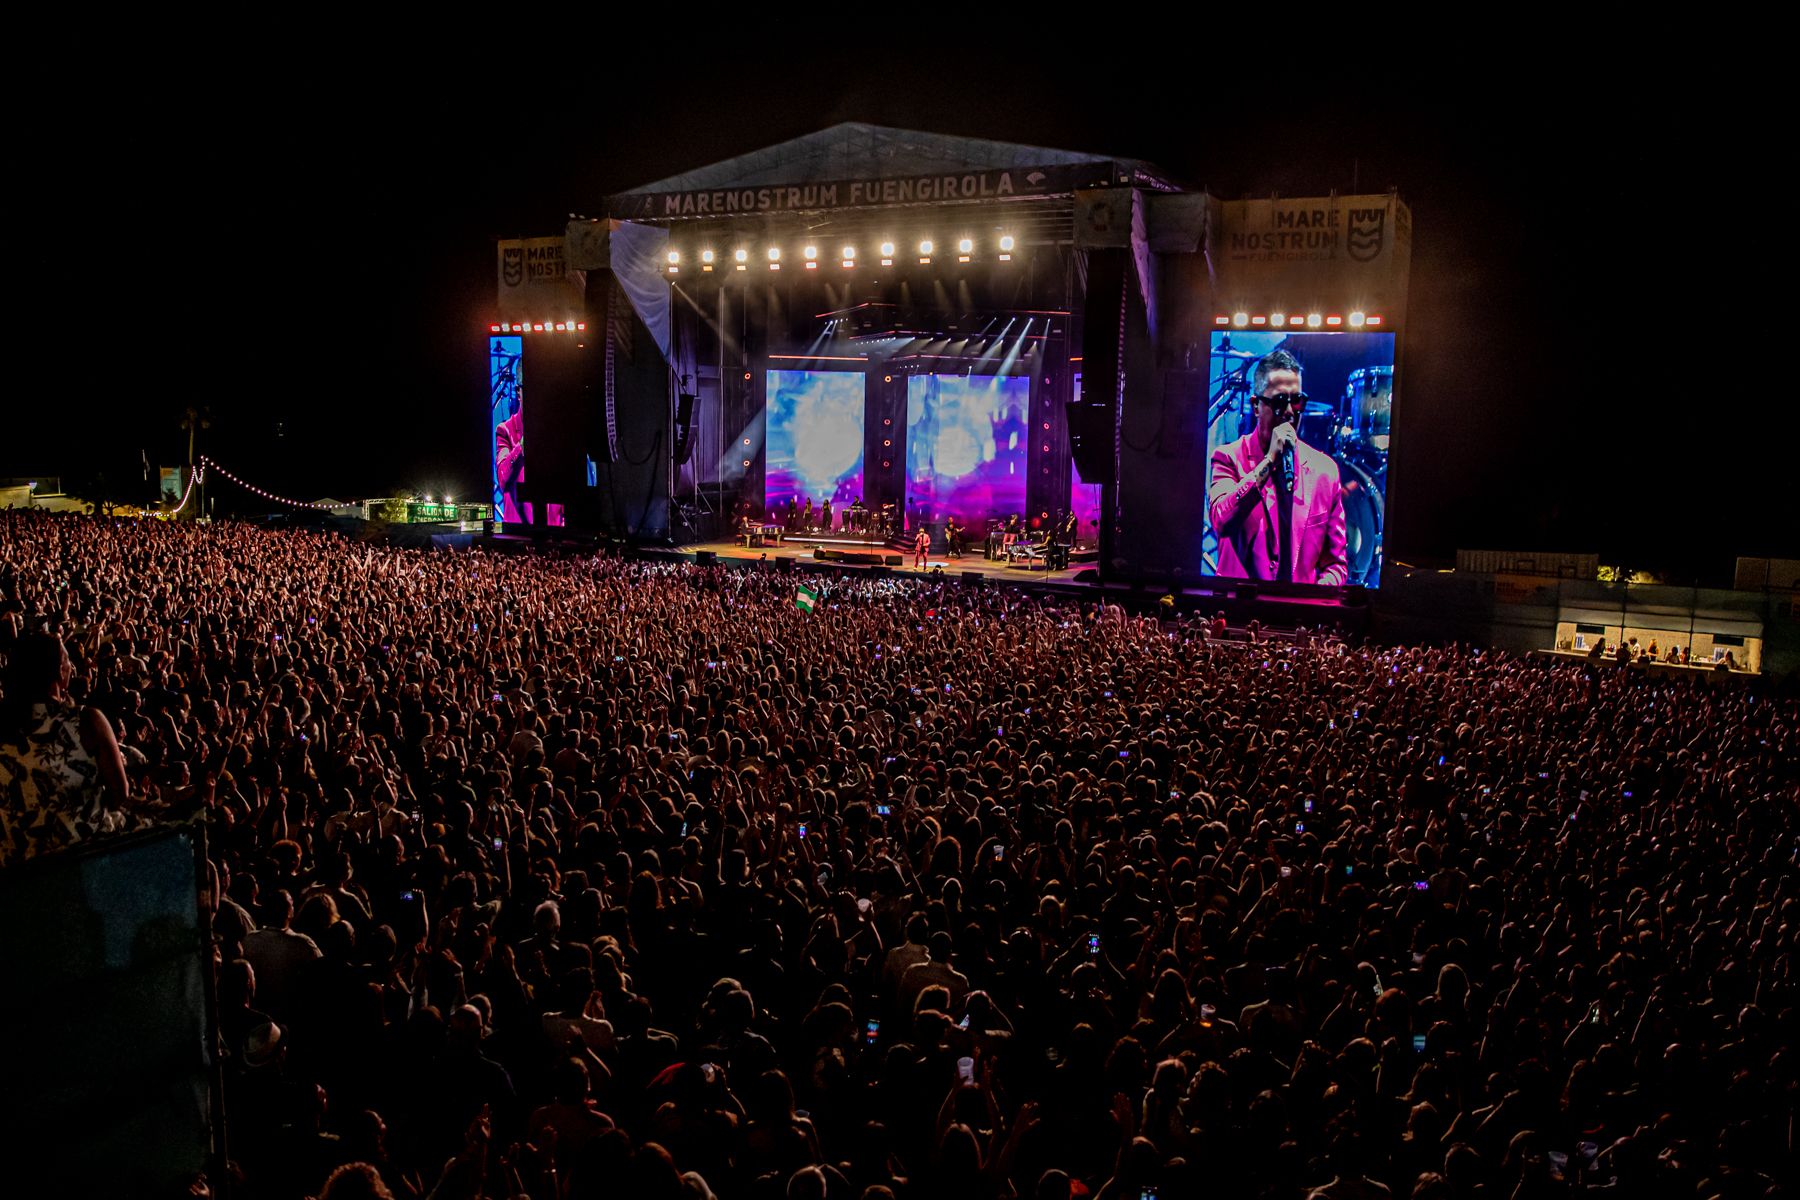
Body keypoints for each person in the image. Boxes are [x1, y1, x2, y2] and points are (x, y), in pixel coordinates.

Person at [1208, 349, 1349, 586]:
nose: (1290, 412)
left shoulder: (1325, 472)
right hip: (1240, 612)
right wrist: (1269, 461)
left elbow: (1336, 564)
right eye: (1280, 401)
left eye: (1297, 401)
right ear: (1255, 406)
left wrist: (1313, 598)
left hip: (1299, 614)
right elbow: (1223, 520)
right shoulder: (1228, 458)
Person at [0, 633, 133, 866]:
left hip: (17, 865)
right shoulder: (85, 721)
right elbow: (119, 795)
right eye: (68, 661)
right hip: (85, 858)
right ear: (60, 672)